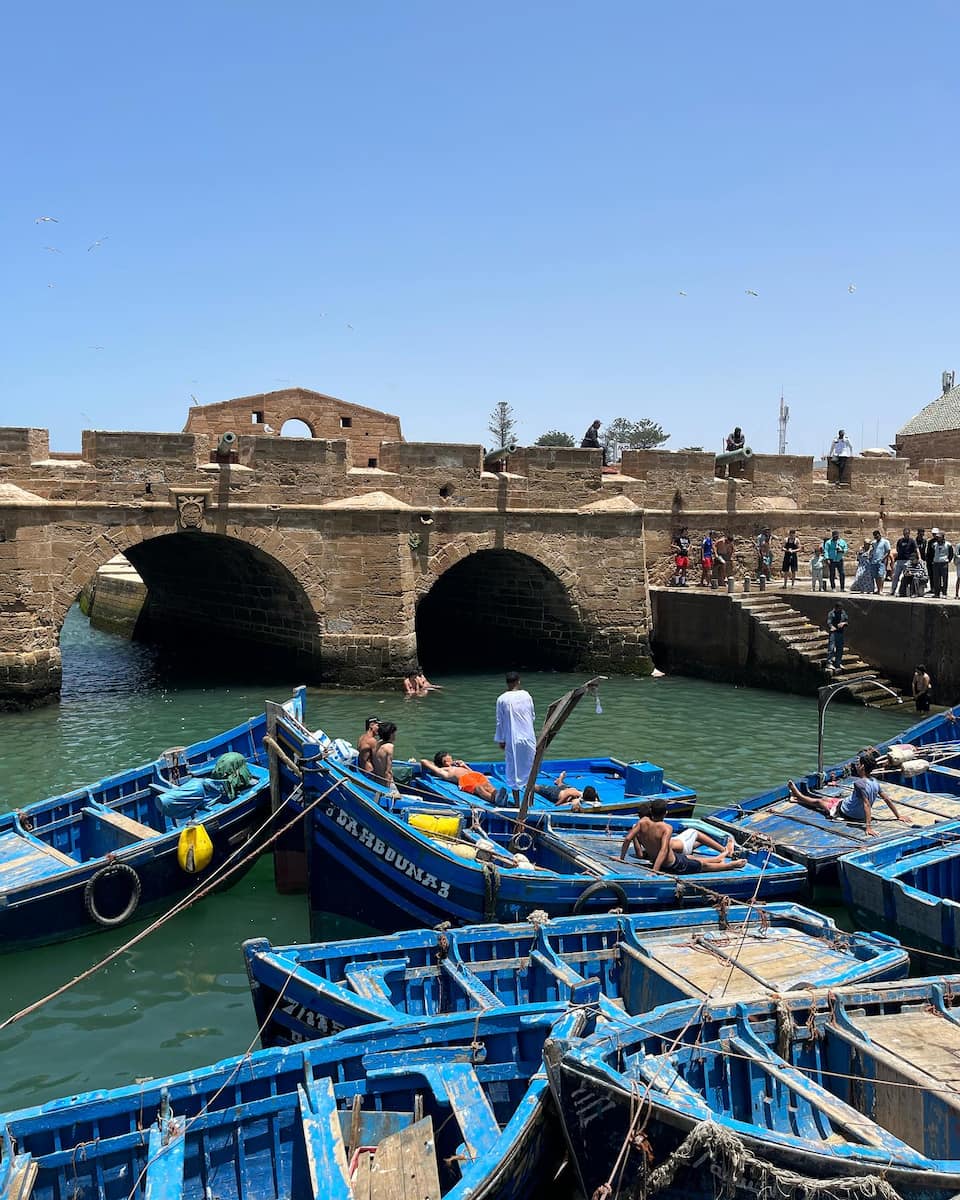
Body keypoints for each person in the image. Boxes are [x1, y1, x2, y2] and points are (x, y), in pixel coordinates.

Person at [787, 759, 910, 838]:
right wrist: (898, 816)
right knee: (826, 799)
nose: (856, 766)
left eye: (858, 764)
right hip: (847, 805)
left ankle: (799, 795)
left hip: (847, 812)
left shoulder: (859, 783)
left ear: (862, 767)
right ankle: (797, 800)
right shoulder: (875, 782)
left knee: (820, 802)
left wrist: (868, 827)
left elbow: (866, 804)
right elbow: (887, 799)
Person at [618, 800, 745, 873]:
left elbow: (628, 839)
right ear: (665, 813)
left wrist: (621, 858)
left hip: (667, 859)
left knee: (691, 858)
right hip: (673, 864)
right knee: (701, 866)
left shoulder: (640, 824)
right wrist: (655, 871)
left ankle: (719, 857)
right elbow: (663, 849)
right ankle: (730, 865)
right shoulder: (666, 828)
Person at [495, 672, 536, 804]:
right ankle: (530, 802)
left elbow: (499, 721)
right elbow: (532, 716)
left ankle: (518, 803)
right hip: (528, 737)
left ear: (507, 682)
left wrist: (501, 740)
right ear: (518, 681)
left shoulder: (501, 699)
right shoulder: (527, 695)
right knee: (530, 768)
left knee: (513, 769)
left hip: (512, 739)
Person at [419, 752, 499, 801]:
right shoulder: (444, 771)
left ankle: (497, 796)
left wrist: (464, 766)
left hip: (474, 775)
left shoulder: (458, 766)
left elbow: (471, 772)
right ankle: (493, 800)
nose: (452, 760)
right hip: (465, 780)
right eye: (450, 759)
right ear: (445, 762)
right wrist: (435, 765)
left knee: (487, 785)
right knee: (478, 788)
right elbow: (423, 761)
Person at [534, 772, 599, 812]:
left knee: (562, 786)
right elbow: (559, 802)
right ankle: (560, 780)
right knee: (536, 788)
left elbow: (596, 795)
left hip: (567, 789)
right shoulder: (574, 794)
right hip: (556, 793)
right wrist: (563, 804)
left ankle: (559, 781)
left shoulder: (590, 797)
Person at [926, 528, 954, 598]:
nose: (937, 538)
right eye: (937, 537)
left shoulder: (948, 544)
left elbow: (951, 554)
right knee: (936, 579)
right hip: (936, 563)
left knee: (944, 579)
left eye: (939, 537)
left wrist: (947, 560)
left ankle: (944, 593)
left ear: (942, 537)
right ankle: (937, 593)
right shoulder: (934, 544)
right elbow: (932, 553)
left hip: (944, 563)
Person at [890, 527, 918, 597]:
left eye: (907, 534)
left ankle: (904, 591)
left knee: (906, 576)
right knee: (895, 576)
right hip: (899, 560)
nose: (906, 535)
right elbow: (897, 549)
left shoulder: (912, 541)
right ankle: (893, 590)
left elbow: (916, 549)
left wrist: (918, 558)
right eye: (905, 533)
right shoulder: (900, 541)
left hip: (907, 561)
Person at [372, 721, 398, 792]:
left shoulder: (377, 744)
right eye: (394, 733)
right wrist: (387, 790)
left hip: (377, 780)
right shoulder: (389, 747)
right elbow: (388, 772)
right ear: (390, 734)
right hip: (386, 783)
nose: (395, 735)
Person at [826, 602, 848, 669]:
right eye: (839, 609)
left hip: (840, 632)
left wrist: (843, 623)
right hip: (833, 633)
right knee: (831, 648)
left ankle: (838, 663)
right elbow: (829, 622)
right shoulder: (831, 613)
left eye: (841, 609)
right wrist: (831, 627)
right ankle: (829, 663)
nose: (840, 610)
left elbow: (847, 621)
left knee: (840, 648)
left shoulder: (843, 612)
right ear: (836, 608)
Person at [868, 529, 891, 595]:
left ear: (880, 535)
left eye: (877, 536)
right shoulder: (874, 543)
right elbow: (871, 550)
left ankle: (881, 590)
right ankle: (878, 589)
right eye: (875, 537)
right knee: (876, 576)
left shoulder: (885, 542)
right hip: (874, 561)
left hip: (881, 561)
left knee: (880, 575)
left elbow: (888, 551)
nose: (876, 538)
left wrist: (883, 559)